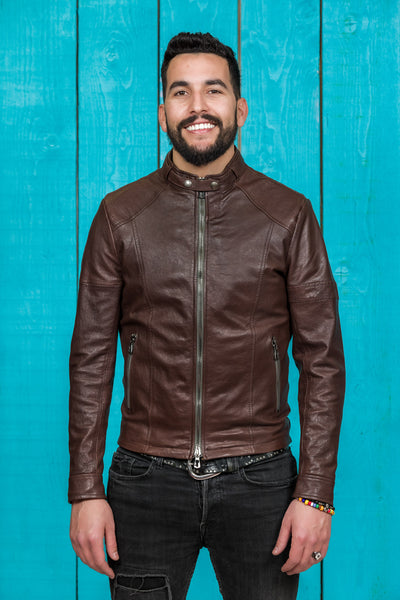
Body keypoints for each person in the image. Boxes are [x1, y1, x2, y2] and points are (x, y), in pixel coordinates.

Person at [69, 32, 345, 600]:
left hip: (262, 483)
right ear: (163, 113)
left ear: (239, 108)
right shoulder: (120, 216)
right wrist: (86, 491)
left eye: (213, 91)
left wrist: (315, 493)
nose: (198, 106)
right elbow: (91, 359)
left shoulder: (288, 215)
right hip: (144, 481)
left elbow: (323, 361)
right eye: (181, 92)